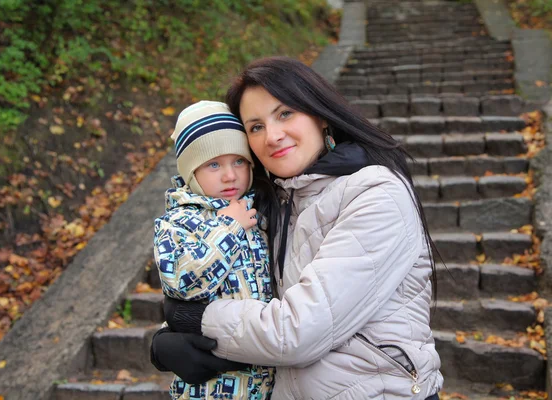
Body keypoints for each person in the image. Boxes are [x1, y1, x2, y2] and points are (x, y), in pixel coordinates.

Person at [152, 57, 444, 399]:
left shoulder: (376, 194)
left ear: (319, 115)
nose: (272, 136)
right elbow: (238, 290)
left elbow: (299, 332)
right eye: (255, 126)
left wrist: (194, 321)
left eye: (285, 113)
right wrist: (167, 338)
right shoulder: (276, 202)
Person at [151, 101, 275, 399]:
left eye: (239, 161)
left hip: (267, 378)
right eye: (214, 164)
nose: (230, 175)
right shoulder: (176, 223)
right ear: (191, 171)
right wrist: (229, 227)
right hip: (211, 386)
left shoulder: (261, 211)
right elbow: (183, 282)